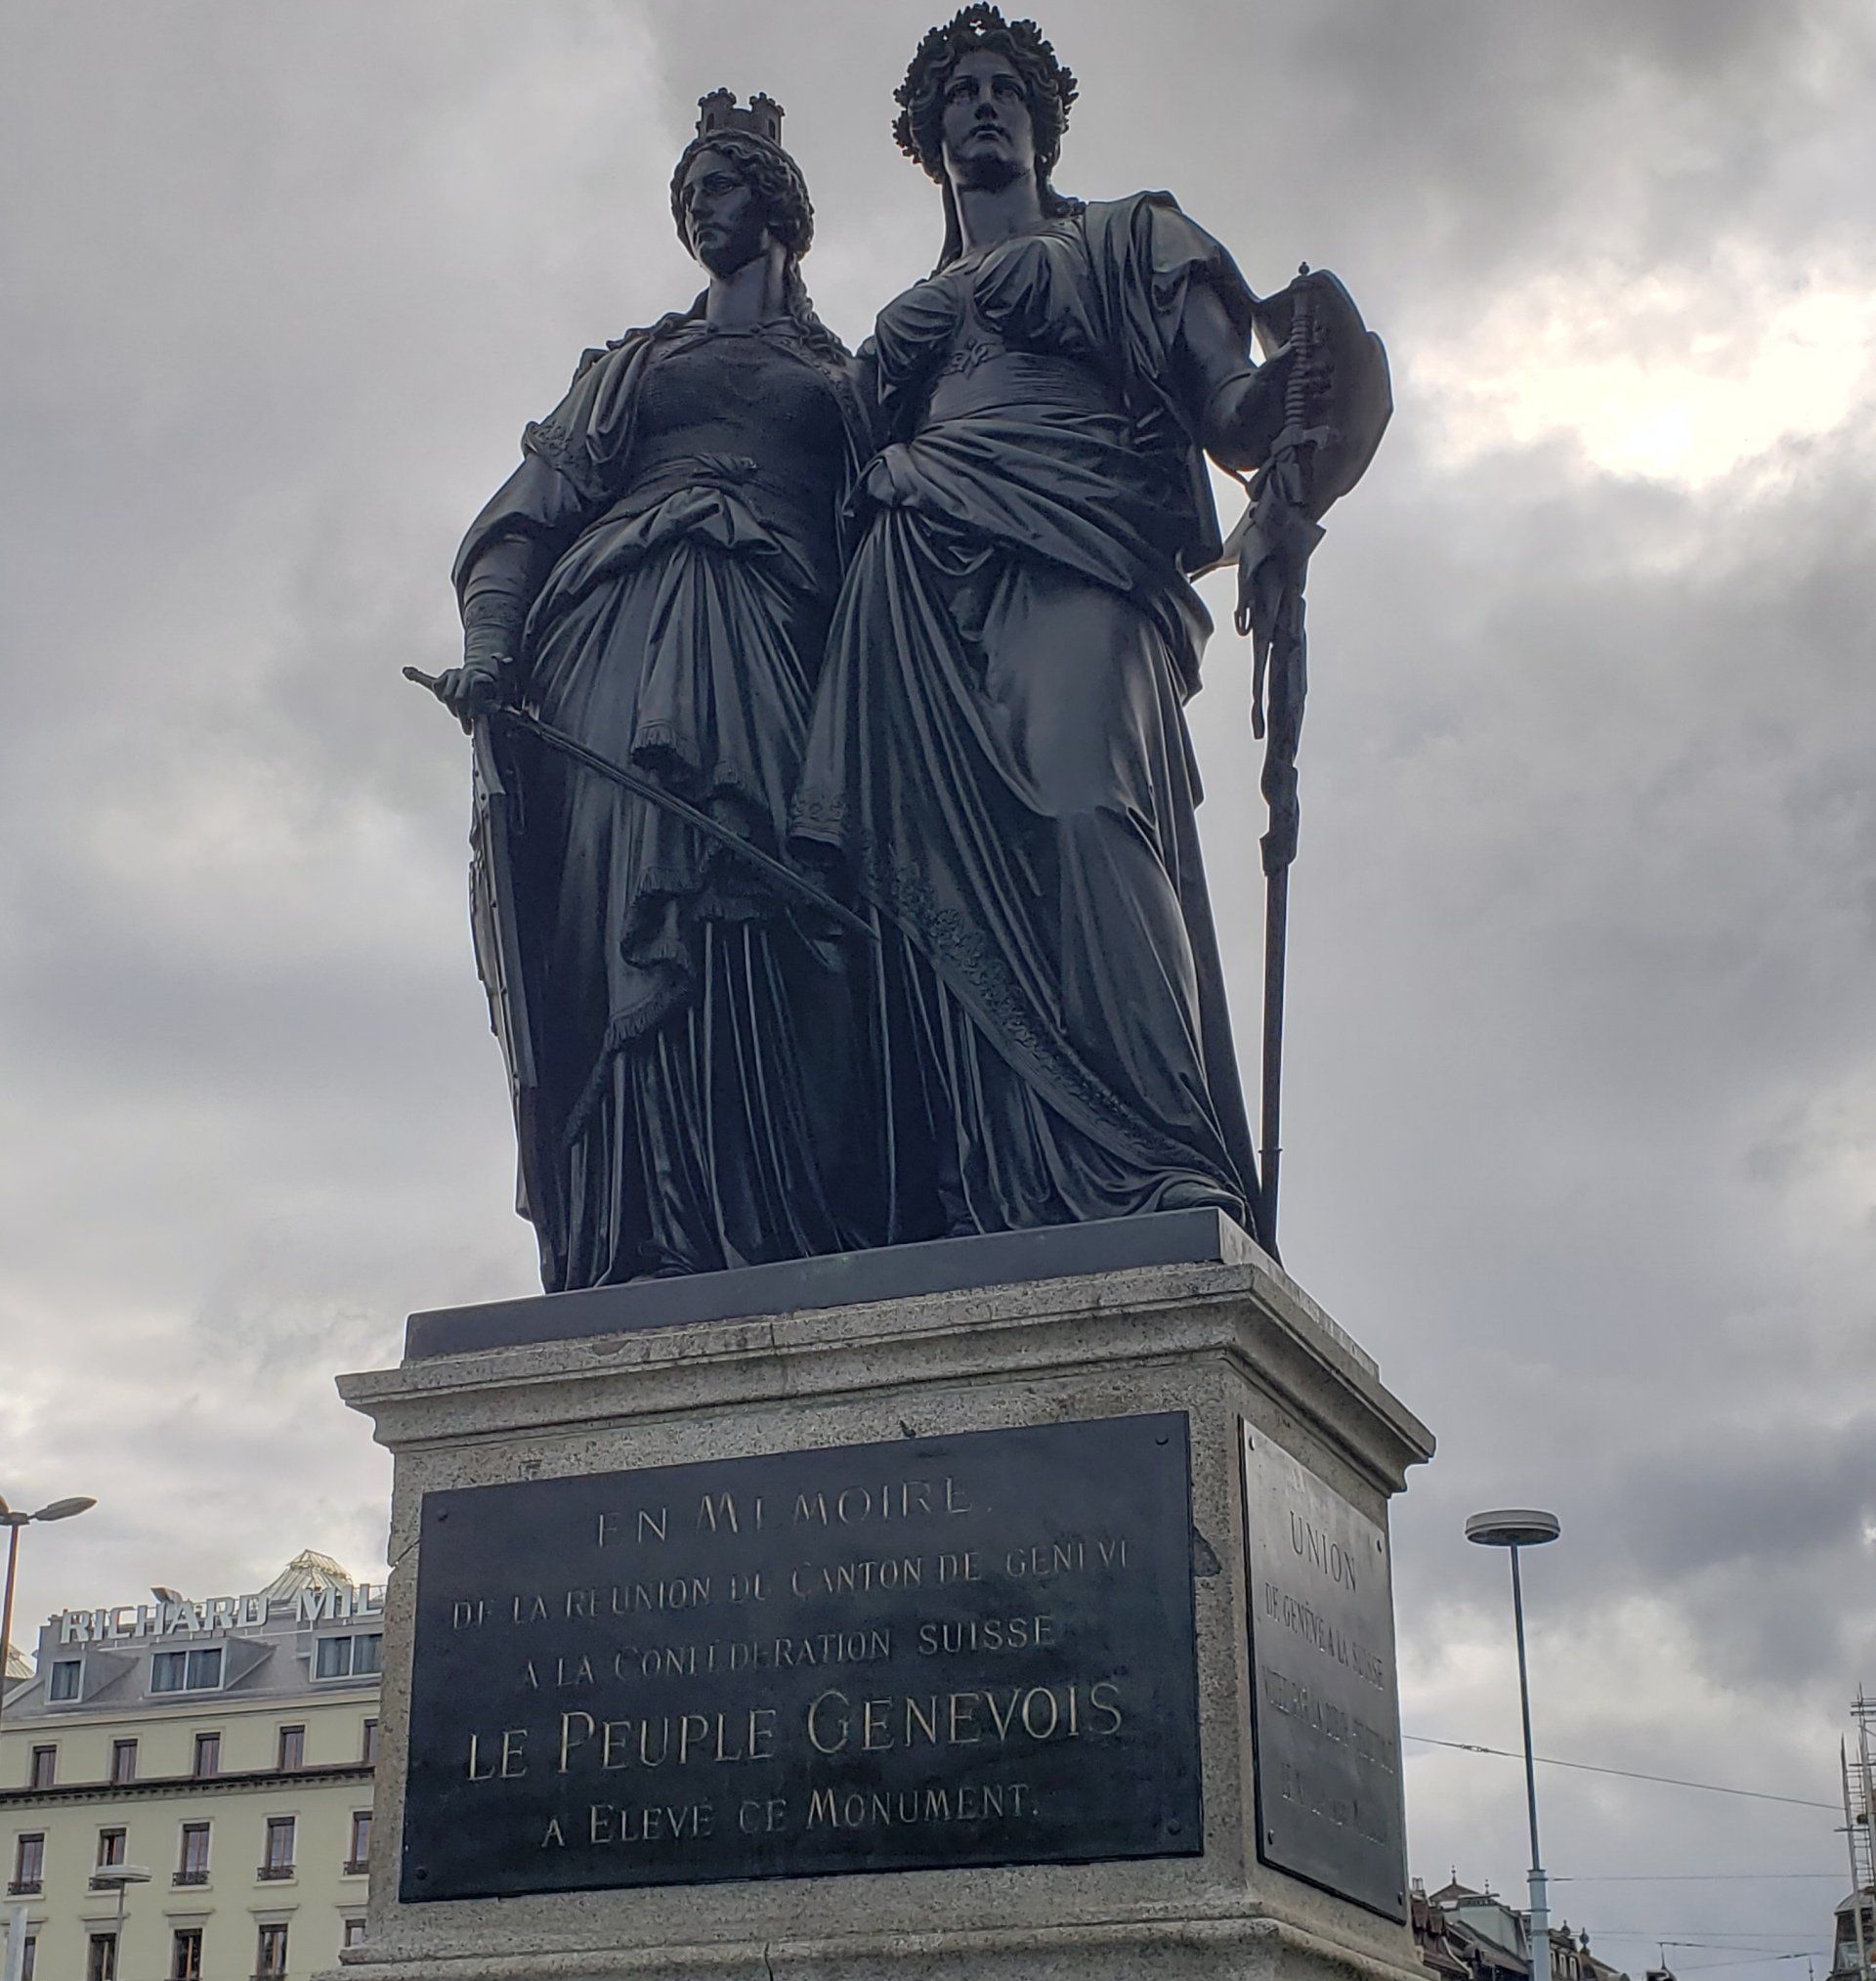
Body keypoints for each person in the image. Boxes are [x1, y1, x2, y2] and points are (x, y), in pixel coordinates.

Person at [792, 5, 1386, 1246]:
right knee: (916, 893)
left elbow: (1229, 412)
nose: (984, 108)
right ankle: (982, 1184)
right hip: (908, 579)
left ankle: (1157, 1156)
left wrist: (1304, 396)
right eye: (958, 97)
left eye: (1006, 89)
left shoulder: (1134, 238)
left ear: (1043, 121)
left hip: (1076, 548)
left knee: (1080, 813)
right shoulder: (910, 305)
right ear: (927, 135)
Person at [434, 94, 874, 1288]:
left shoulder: (853, 383)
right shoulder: (635, 365)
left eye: (718, 185)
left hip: (781, 654)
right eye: (686, 196)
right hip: (614, 664)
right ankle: (635, 1224)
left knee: (759, 904)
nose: (698, 209)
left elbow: (906, 551)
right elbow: (519, 525)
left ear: (776, 208)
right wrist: (488, 651)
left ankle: (771, 1216)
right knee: (637, 916)